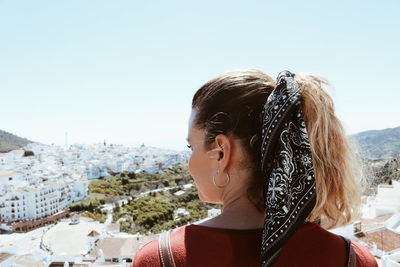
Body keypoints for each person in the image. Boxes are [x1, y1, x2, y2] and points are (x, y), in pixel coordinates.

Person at [133, 70, 378, 267]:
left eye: (191, 147)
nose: (189, 163)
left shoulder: (162, 258)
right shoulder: (353, 260)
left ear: (221, 151)